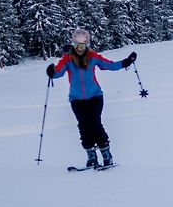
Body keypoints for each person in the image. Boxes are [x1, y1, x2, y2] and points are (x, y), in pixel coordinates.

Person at [46, 28, 137, 168]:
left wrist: (125, 62)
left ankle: (106, 155)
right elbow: (58, 73)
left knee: (95, 123)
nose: (80, 49)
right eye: (77, 45)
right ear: (73, 44)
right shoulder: (67, 59)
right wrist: (51, 72)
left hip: (95, 97)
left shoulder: (93, 57)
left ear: (87, 44)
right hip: (76, 100)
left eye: (83, 46)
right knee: (83, 125)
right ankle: (91, 156)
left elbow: (109, 65)